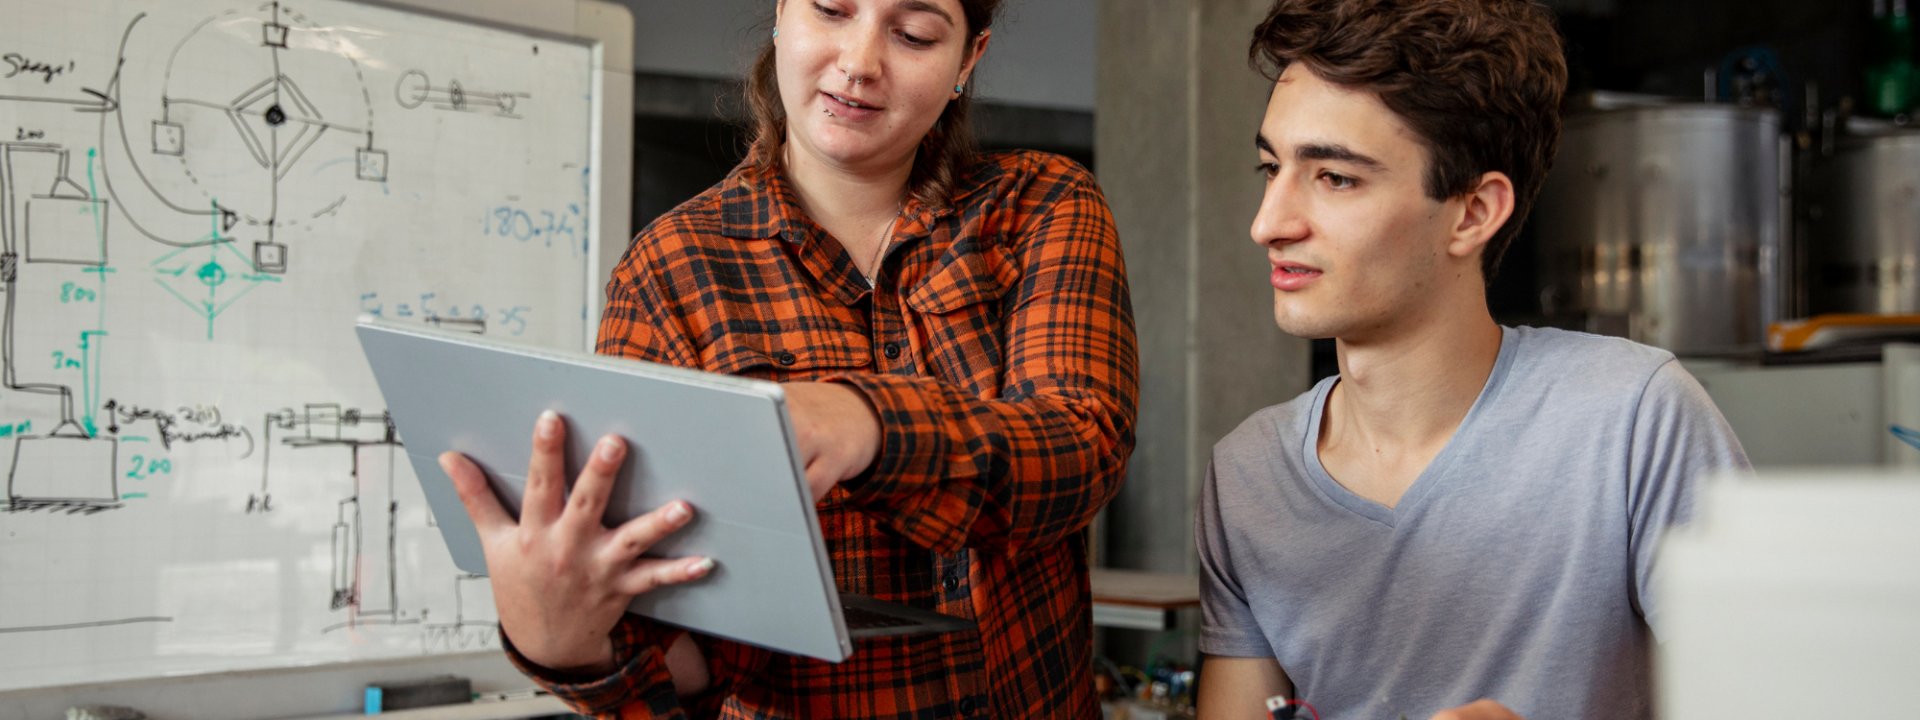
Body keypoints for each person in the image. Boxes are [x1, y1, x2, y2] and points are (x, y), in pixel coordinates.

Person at [436, 0, 1137, 718]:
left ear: (968, 59)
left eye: (914, 33)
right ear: (780, 14)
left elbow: (1082, 446)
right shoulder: (670, 271)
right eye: (833, 9)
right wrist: (569, 642)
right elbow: (682, 643)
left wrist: (867, 424)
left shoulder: (1038, 205)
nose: (860, 62)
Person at [1192, 1, 1750, 719]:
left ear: (1474, 212)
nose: (1268, 222)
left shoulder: (1632, 418)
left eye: (1334, 178)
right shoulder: (1248, 473)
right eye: (1272, 167)